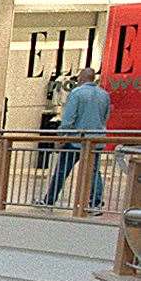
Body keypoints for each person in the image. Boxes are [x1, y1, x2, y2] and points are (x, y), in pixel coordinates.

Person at [40, 68, 110, 213]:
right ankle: (95, 203)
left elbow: (68, 119)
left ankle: (49, 200)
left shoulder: (77, 93)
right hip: (95, 141)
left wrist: (60, 137)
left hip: (76, 140)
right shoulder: (104, 95)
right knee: (94, 172)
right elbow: (105, 117)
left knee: (61, 171)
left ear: (82, 78)